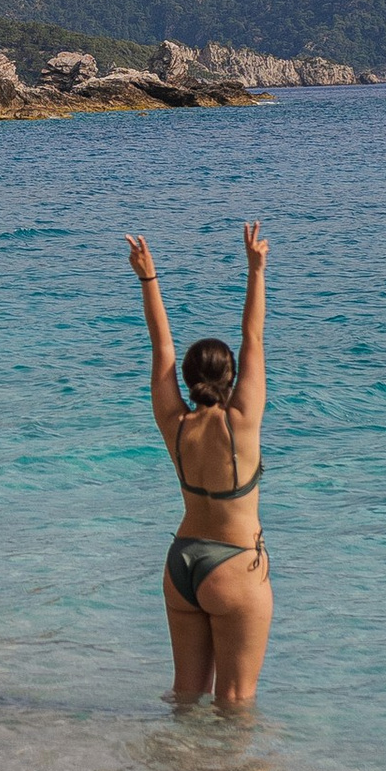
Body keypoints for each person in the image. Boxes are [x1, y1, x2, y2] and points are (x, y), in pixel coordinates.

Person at [126, 222, 270, 708]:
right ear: (231, 378)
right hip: (235, 568)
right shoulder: (242, 423)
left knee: (186, 698)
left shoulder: (175, 423)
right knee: (235, 705)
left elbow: (160, 348)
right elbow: (254, 336)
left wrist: (149, 279)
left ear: (188, 381)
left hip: (182, 564)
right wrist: (256, 270)